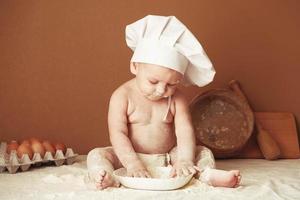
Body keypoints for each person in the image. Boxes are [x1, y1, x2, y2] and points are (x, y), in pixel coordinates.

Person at [86, 15, 241, 190]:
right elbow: (118, 133)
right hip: (128, 156)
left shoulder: (177, 99)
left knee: (202, 152)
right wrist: (132, 163)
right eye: (153, 82)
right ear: (134, 66)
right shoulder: (122, 96)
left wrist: (184, 160)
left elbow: (184, 131)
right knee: (97, 154)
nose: (161, 90)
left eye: (171, 84)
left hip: (168, 156)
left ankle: (206, 174)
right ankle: (105, 177)